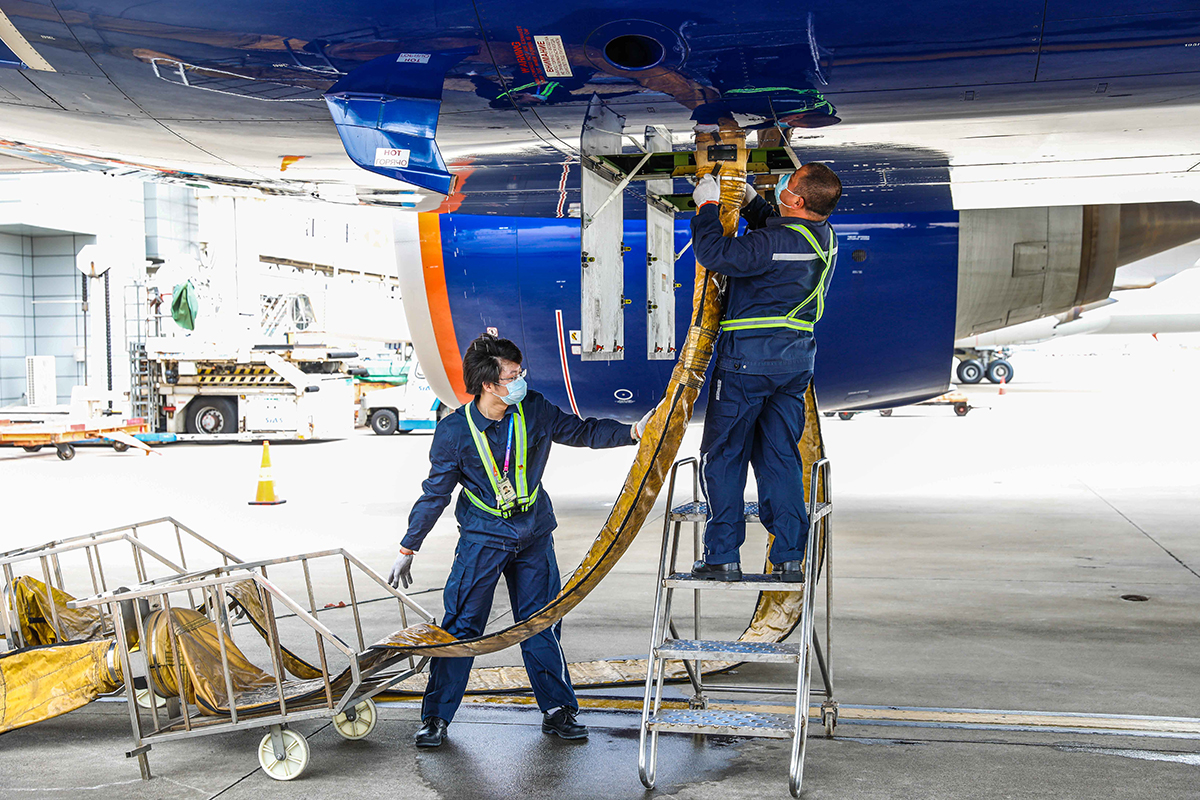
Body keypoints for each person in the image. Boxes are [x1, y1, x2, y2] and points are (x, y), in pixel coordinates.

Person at [386, 333, 653, 748]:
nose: (520, 379)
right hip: (483, 537)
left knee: (541, 622)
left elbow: (582, 431)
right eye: (513, 375)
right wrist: (409, 546)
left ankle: (557, 710)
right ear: (489, 384)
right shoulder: (455, 431)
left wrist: (633, 431)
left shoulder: (534, 408)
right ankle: (436, 717)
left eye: (519, 371)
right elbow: (435, 493)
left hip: (533, 534)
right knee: (461, 627)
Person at [687, 163, 842, 583]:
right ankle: (790, 557)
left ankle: (722, 557)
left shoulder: (772, 243)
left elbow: (716, 254)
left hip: (745, 365)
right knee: (779, 459)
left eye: (787, 186)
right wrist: (751, 200)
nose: (782, 187)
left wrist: (707, 206)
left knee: (724, 456)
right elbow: (779, 238)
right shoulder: (824, 239)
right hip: (794, 365)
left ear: (796, 200)